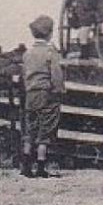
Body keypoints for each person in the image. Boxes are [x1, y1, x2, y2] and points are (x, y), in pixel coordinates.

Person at [20, 14, 65, 178]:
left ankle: (25, 166)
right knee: (45, 130)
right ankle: (40, 167)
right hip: (46, 94)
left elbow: (24, 74)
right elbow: (56, 75)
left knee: (30, 129)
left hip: (30, 94)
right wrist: (59, 91)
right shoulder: (50, 53)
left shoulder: (27, 54)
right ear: (50, 33)